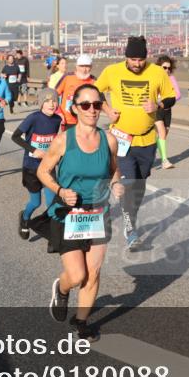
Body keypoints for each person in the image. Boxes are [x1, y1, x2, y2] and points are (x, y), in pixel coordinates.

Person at [32, 84, 124, 341]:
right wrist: (60, 191)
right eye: (86, 105)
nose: (92, 110)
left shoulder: (109, 140)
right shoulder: (63, 140)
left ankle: (81, 322)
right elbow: (42, 171)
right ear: (75, 108)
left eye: (97, 104)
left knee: (93, 273)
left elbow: (113, 169)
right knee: (77, 275)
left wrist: (116, 183)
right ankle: (62, 290)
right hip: (68, 213)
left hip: (98, 213)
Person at [95, 36, 176, 248]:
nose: (137, 64)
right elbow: (95, 92)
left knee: (139, 185)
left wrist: (158, 105)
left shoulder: (157, 72)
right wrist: (107, 110)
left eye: (141, 60)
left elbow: (171, 97)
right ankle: (131, 230)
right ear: (126, 57)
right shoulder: (112, 71)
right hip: (121, 138)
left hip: (147, 140)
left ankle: (130, 217)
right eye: (133, 60)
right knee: (128, 182)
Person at [11, 89, 62, 239]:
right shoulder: (33, 118)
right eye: (47, 101)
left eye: (54, 101)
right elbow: (15, 137)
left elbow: (55, 142)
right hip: (31, 167)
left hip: (48, 167)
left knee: (52, 203)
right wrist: (34, 150)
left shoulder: (57, 119)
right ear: (41, 103)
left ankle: (52, 235)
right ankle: (25, 218)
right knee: (35, 202)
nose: (51, 104)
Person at [154, 55, 181, 169]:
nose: (167, 70)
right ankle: (164, 161)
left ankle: (150, 152)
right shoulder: (154, 78)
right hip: (157, 110)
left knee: (163, 136)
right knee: (162, 133)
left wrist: (165, 100)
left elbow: (178, 95)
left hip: (167, 110)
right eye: (164, 67)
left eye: (169, 68)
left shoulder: (171, 79)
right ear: (159, 67)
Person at [55, 53, 96, 128]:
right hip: (67, 120)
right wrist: (58, 112)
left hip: (86, 121)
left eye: (87, 66)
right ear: (76, 66)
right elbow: (54, 94)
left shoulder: (94, 81)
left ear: (91, 67)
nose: (84, 70)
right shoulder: (68, 77)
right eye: (81, 66)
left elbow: (99, 100)